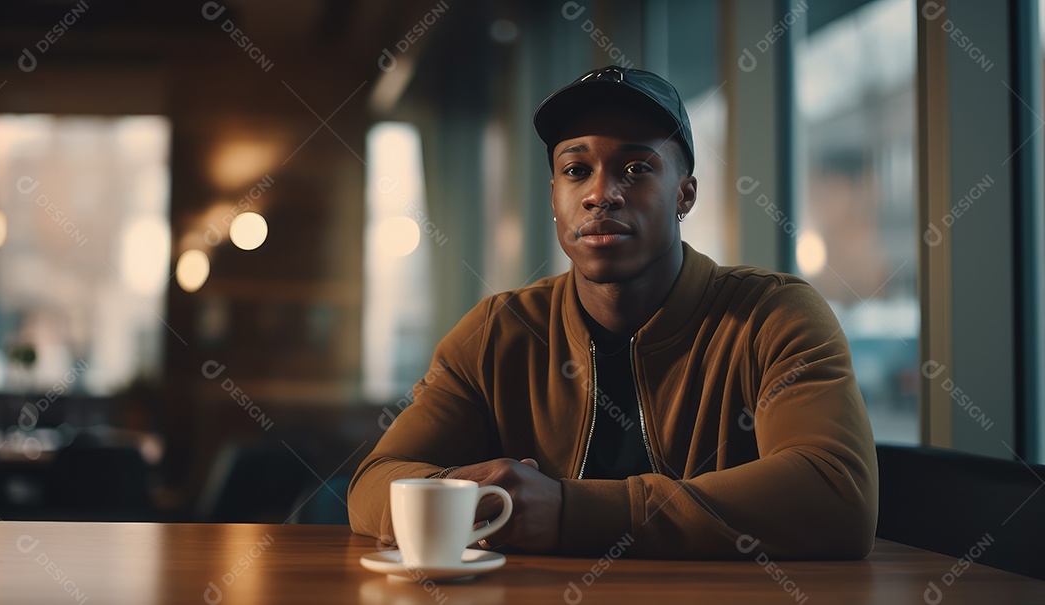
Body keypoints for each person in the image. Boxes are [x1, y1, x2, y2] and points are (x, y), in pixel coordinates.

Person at [348, 66, 878, 559]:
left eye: (636, 168)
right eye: (577, 170)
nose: (602, 194)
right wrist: (467, 498)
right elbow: (374, 484)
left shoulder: (772, 315)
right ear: (554, 195)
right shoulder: (498, 331)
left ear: (684, 195)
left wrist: (569, 511)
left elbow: (837, 494)